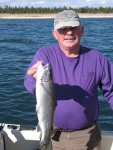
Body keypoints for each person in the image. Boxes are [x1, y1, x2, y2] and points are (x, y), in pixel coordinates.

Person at [24, 10, 113, 150]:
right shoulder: (44, 55)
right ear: (54, 33)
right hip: (53, 134)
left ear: (82, 30)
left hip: (87, 136)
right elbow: (29, 85)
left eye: (73, 27)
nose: (69, 32)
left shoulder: (97, 58)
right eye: (63, 29)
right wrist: (33, 77)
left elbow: (112, 90)